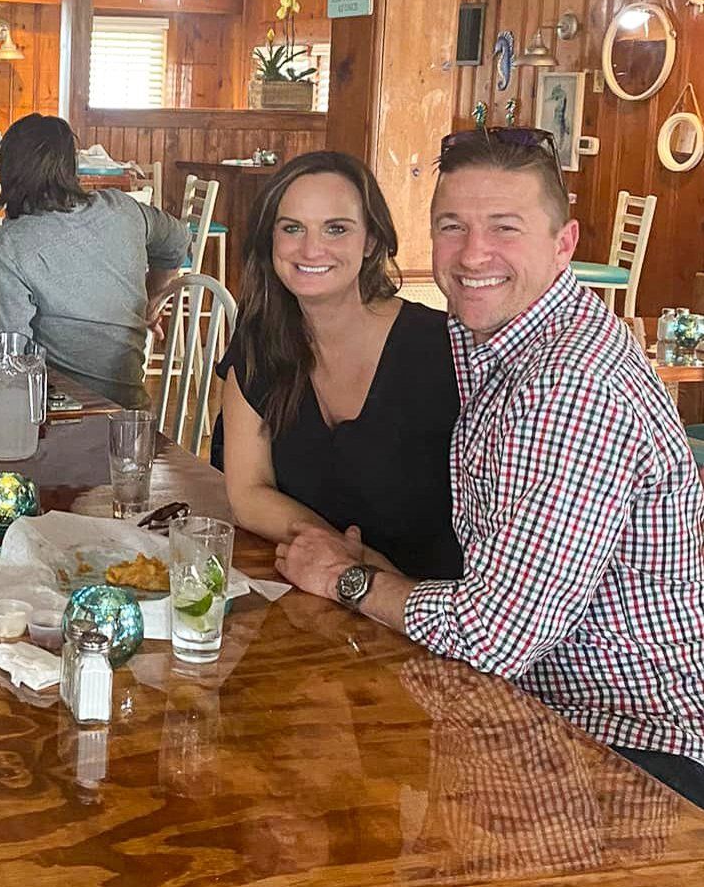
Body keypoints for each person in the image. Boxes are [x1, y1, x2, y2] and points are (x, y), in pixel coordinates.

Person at [277, 128, 704, 807]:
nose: (473, 254)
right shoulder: (488, 336)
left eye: (504, 227)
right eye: (452, 226)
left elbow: (494, 637)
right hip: (530, 712)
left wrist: (346, 579)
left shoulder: (570, 384)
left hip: (631, 754)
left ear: (563, 244)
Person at [213, 151, 461, 579]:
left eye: (336, 229)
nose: (311, 249)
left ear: (371, 241)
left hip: (429, 607)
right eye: (292, 228)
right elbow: (248, 492)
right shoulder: (259, 341)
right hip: (315, 592)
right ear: (270, 240)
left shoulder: (443, 350)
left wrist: (365, 578)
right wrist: (342, 561)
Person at [0, 114, 189, 410]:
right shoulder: (123, 208)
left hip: (62, 420)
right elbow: (179, 240)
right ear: (70, 166)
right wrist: (154, 295)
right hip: (133, 418)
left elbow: (9, 367)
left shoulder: (9, 245)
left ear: (8, 169)